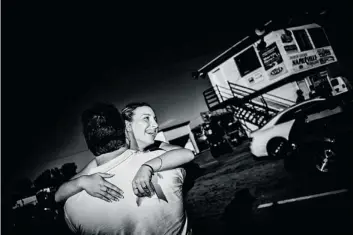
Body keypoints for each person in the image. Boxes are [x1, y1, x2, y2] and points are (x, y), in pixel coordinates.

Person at [57, 102, 194, 234]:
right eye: (146, 118)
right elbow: (59, 194)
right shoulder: (164, 159)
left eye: (154, 119)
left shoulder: (74, 206)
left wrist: (148, 165)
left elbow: (185, 154)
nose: (155, 125)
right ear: (127, 126)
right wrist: (81, 182)